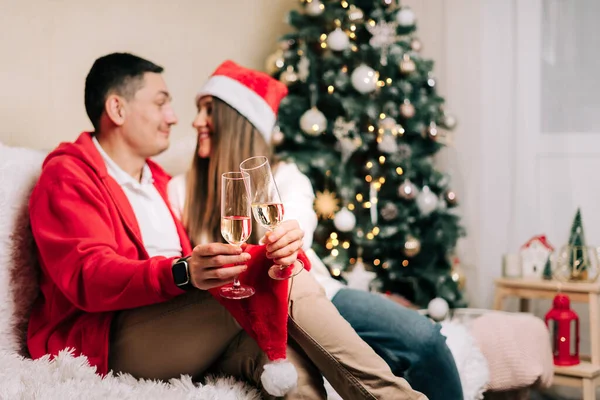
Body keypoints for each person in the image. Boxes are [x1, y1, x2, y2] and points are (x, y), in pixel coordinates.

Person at [27, 52, 424, 400]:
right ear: (117, 109)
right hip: (109, 338)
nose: (175, 117)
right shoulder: (68, 175)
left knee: (288, 364)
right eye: (162, 102)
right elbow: (88, 276)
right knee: (280, 274)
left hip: (177, 324)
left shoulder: (160, 183)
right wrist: (183, 271)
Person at [168, 60, 464, 400]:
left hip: (309, 294)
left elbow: (297, 225)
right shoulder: (179, 190)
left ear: (236, 122)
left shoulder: (285, 177)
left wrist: (288, 237)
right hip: (238, 316)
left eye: (207, 111)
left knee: (425, 339)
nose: (195, 122)